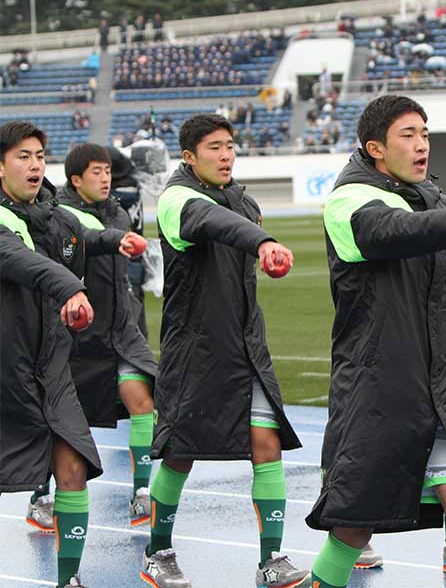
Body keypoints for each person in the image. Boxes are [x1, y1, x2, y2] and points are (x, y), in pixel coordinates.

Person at [309, 94, 446, 588]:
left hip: (437, 383)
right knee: (354, 527)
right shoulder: (350, 200)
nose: (422, 144)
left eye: (425, 134)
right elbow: (396, 231)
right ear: (375, 148)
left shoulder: (423, 192)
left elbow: (431, 234)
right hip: (378, 387)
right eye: (408, 135)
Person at [142, 114, 308, 588]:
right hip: (195, 349)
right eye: (214, 147)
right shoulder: (176, 200)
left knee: (267, 444)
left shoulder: (244, 199)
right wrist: (263, 241)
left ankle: (271, 560)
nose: (226, 154)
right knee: (179, 453)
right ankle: (158, 551)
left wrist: (261, 244)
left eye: (230, 145)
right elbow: (208, 220)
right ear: (189, 157)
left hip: (247, 348)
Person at [0, 121, 103, 588]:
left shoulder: (63, 222)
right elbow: (24, 262)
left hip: (49, 367)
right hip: (4, 368)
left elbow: (71, 264)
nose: (35, 164)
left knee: (73, 466)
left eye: (40, 155)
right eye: (23, 155)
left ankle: (68, 580)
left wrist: (72, 310)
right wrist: (70, 288)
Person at [44, 144, 156, 527]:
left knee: (142, 400)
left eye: (107, 171)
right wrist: (115, 239)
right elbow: (89, 236)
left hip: (119, 330)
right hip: (75, 337)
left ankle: (142, 493)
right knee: (57, 423)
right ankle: (39, 494)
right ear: (76, 180)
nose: (105, 178)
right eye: (96, 172)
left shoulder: (118, 211)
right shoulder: (59, 215)